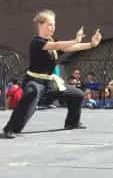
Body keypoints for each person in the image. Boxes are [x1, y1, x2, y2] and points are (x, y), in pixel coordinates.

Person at [2, 10, 102, 139]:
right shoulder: (36, 42)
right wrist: (75, 39)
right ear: (40, 25)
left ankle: (72, 123)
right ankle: (10, 129)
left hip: (50, 82)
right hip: (35, 81)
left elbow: (68, 48)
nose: (53, 27)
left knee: (77, 95)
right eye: (49, 24)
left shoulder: (52, 40)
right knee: (31, 95)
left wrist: (92, 44)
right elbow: (57, 45)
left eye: (54, 24)